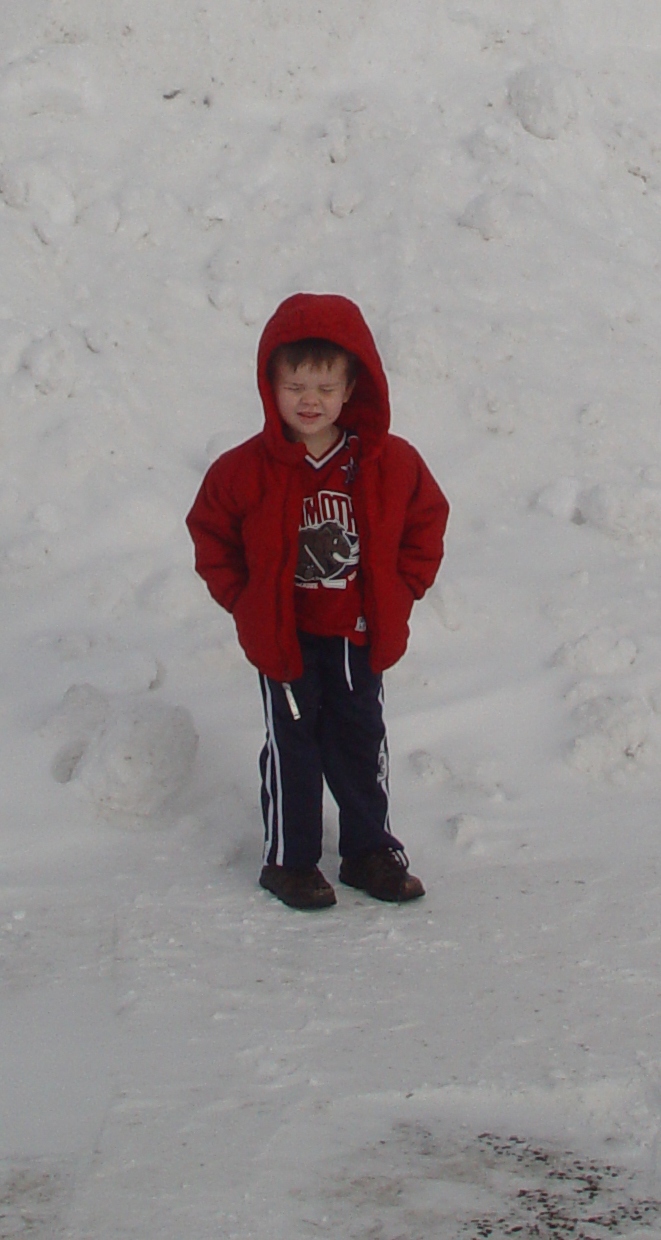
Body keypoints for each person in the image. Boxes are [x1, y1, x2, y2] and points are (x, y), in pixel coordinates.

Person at [187, 293, 448, 909]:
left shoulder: (390, 463)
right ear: (270, 385)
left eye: (326, 387)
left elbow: (426, 523)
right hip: (286, 638)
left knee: (361, 741)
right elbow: (211, 534)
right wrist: (244, 600)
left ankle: (368, 850)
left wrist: (403, 590)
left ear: (353, 387)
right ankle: (290, 860)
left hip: (359, 634)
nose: (310, 400)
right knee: (294, 748)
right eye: (295, 384)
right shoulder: (244, 470)